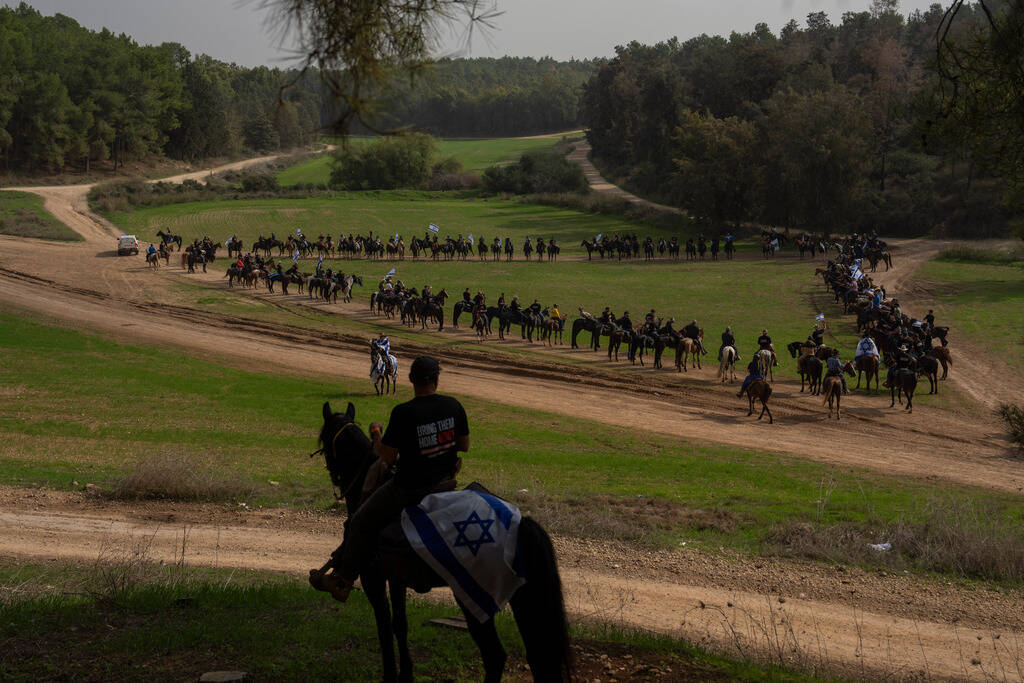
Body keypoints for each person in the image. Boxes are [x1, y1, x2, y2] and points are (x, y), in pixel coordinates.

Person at [313, 356, 469, 602]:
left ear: (410, 380)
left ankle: (343, 579)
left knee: (359, 520)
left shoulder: (404, 412)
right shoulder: (454, 406)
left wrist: (376, 435)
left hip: (409, 489)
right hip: (445, 483)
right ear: (437, 380)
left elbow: (386, 456)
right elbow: (464, 445)